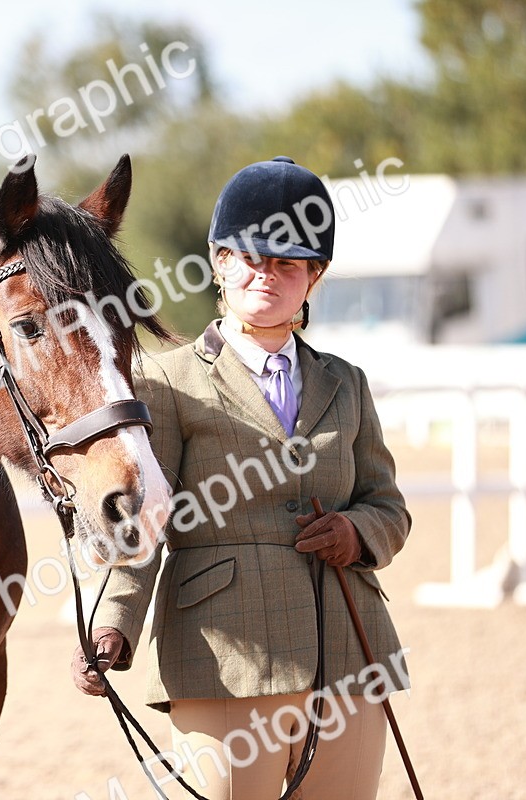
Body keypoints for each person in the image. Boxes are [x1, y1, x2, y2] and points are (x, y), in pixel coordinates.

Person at [71, 156, 411, 800]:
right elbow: (146, 523)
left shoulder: (348, 382)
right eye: (251, 257)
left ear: (315, 276)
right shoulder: (165, 382)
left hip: (346, 646)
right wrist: (112, 621)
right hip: (223, 653)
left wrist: (357, 532)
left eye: (288, 263)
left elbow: (390, 508)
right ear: (220, 262)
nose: (268, 275)